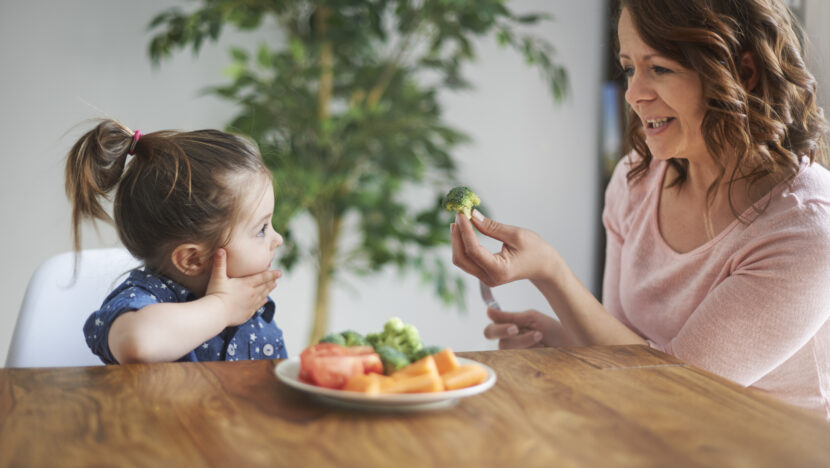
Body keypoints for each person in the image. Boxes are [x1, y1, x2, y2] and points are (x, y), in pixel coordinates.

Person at [451, 0, 830, 417]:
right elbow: (632, 352)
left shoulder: (806, 227)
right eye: (629, 68)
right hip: (652, 438)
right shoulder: (637, 178)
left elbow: (679, 394)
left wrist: (551, 273)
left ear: (743, 72)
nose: (633, 94)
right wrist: (562, 338)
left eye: (660, 69)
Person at [66, 119, 287, 364]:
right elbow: (137, 342)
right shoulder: (145, 298)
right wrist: (222, 308)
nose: (277, 239)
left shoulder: (250, 305)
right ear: (192, 259)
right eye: (262, 229)